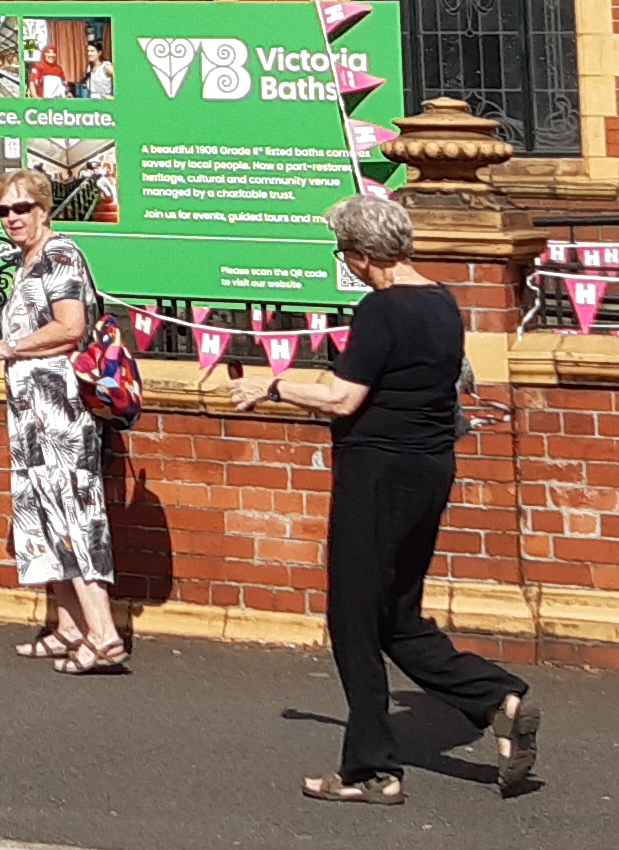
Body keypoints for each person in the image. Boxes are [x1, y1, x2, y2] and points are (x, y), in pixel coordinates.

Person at [225, 189, 537, 804]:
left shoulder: (382, 310)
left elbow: (345, 398)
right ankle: (494, 697)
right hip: (429, 470)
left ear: (368, 254)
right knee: (396, 617)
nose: (345, 263)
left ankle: (372, 769)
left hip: (378, 474)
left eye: (346, 252)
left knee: (353, 619)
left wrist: (275, 386)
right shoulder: (444, 303)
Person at [0, 177, 122, 674]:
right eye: (3, 210)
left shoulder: (60, 257)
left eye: (22, 207)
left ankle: (105, 635)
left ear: (44, 208)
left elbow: (70, 327)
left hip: (61, 413)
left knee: (74, 513)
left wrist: (6, 348)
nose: (12, 217)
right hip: (31, 414)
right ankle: (70, 627)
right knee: (43, 513)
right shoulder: (26, 262)